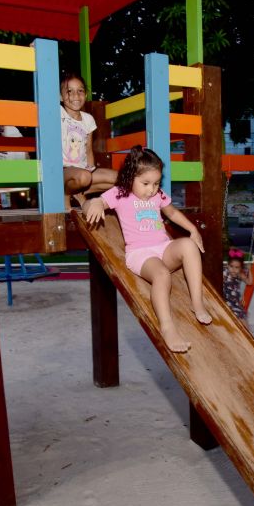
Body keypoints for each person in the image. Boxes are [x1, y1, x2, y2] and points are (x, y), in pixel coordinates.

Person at [84, 145, 211, 353]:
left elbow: (172, 213)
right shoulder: (120, 193)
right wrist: (95, 203)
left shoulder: (157, 195)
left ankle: (197, 303)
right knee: (162, 274)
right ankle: (167, 326)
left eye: (156, 183)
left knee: (188, 245)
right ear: (130, 177)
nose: (151, 189)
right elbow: (93, 204)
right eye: (145, 183)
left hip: (163, 248)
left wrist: (193, 229)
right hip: (140, 254)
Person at [60, 73, 117, 207]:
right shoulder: (57, 113)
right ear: (61, 96)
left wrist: (91, 171)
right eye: (69, 91)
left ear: (85, 95)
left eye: (80, 91)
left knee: (121, 178)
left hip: (83, 171)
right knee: (84, 177)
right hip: (63, 171)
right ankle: (65, 194)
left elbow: (88, 150)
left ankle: (79, 192)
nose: (75, 95)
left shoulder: (88, 119)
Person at [223, 247, 253, 327]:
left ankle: (247, 336)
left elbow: (249, 282)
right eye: (231, 266)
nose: (233, 269)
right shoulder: (224, 273)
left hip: (235, 303)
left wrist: (250, 271)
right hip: (226, 301)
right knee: (238, 321)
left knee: (244, 323)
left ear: (240, 268)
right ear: (227, 265)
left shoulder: (240, 274)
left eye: (237, 267)